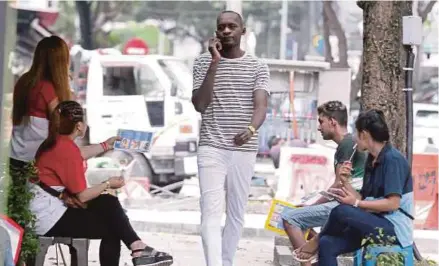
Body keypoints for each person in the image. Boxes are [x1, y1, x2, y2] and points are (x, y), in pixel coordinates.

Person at [30, 101, 173, 266]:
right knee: (113, 226)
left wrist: (107, 144)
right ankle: (138, 248)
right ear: (79, 126)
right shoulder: (66, 150)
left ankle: (137, 248)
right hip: (47, 218)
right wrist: (108, 184)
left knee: (107, 202)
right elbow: (82, 196)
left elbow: (79, 154)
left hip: (43, 211)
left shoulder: (57, 143)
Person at [191, 10, 270, 266]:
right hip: (211, 147)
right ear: (216, 32)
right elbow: (200, 105)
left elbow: (261, 107)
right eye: (221, 27)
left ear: (242, 31)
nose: (226, 31)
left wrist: (250, 130)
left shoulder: (258, 66)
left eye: (232, 27)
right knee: (210, 214)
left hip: (243, 149)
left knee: (236, 214)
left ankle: (226, 262)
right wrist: (214, 63)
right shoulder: (203, 62)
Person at [313, 109, 413, 265]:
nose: (354, 139)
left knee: (341, 211)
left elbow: (393, 203)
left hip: (394, 228)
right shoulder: (371, 160)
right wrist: (345, 181)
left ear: (365, 135)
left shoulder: (393, 160)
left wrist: (356, 204)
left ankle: (312, 244)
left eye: (356, 133)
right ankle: (317, 242)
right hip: (373, 221)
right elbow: (363, 199)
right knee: (327, 243)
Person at [10, 35, 117, 171]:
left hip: (15, 157)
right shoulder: (48, 88)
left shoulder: (24, 81)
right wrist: (71, 99)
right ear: (62, 61)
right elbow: (71, 129)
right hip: (37, 164)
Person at [281, 101, 366, 265]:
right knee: (303, 217)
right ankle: (313, 257)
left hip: (348, 206)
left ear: (332, 122)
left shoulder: (347, 144)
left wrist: (313, 205)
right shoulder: (346, 144)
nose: (319, 128)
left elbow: (338, 186)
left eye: (321, 121)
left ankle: (306, 261)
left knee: (289, 218)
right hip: (347, 203)